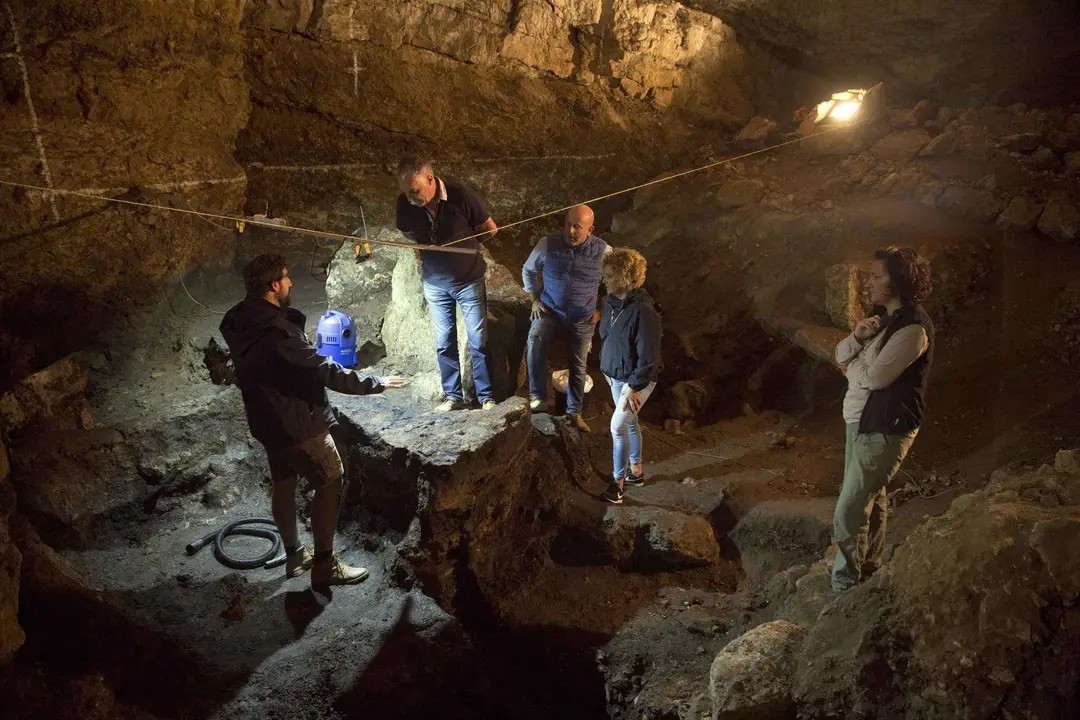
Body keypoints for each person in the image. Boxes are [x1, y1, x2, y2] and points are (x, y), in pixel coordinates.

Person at [219, 254, 406, 590]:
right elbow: (326, 371)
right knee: (330, 478)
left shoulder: (236, 319)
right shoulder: (278, 333)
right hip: (297, 422)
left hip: (265, 419)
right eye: (287, 278)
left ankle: (295, 555)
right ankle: (324, 565)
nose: (292, 283)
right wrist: (376, 383)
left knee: (284, 481)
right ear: (274, 285)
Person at [831, 246, 934, 593]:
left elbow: (875, 378)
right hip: (860, 420)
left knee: (850, 507)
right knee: (872, 497)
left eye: (877, 276)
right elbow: (840, 355)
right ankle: (868, 568)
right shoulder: (881, 319)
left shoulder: (913, 330)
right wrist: (857, 339)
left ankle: (844, 587)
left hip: (885, 425)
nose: (869, 282)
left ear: (898, 281)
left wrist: (854, 367)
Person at [394, 156, 499, 411]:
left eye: (415, 191)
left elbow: (490, 228)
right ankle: (453, 396)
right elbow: (406, 231)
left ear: (430, 179)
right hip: (435, 283)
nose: (410, 198)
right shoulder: (405, 204)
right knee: (444, 340)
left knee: (478, 340)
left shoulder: (459, 195)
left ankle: (486, 397)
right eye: (407, 192)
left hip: (469, 281)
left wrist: (465, 246)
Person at [522, 204, 610, 432]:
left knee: (578, 363)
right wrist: (535, 299)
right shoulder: (548, 244)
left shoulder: (604, 252)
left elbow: (617, 283)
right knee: (535, 340)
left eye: (577, 227)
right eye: (568, 224)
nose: (570, 231)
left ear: (590, 229)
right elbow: (528, 270)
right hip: (550, 309)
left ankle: (574, 412)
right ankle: (538, 398)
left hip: (582, 316)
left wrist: (602, 309)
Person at [597, 248, 662, 504]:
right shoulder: (611, 303)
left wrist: (633, 387)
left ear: (626, 277)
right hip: (617, 375)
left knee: (618, 426)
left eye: (610, 275)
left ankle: (617, 485)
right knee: (630, 423)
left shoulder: (645, 312)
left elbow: (648, 358)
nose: (605, 280)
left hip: (637, 380)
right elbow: (607, 337)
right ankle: (636, 472)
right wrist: (607, 369)